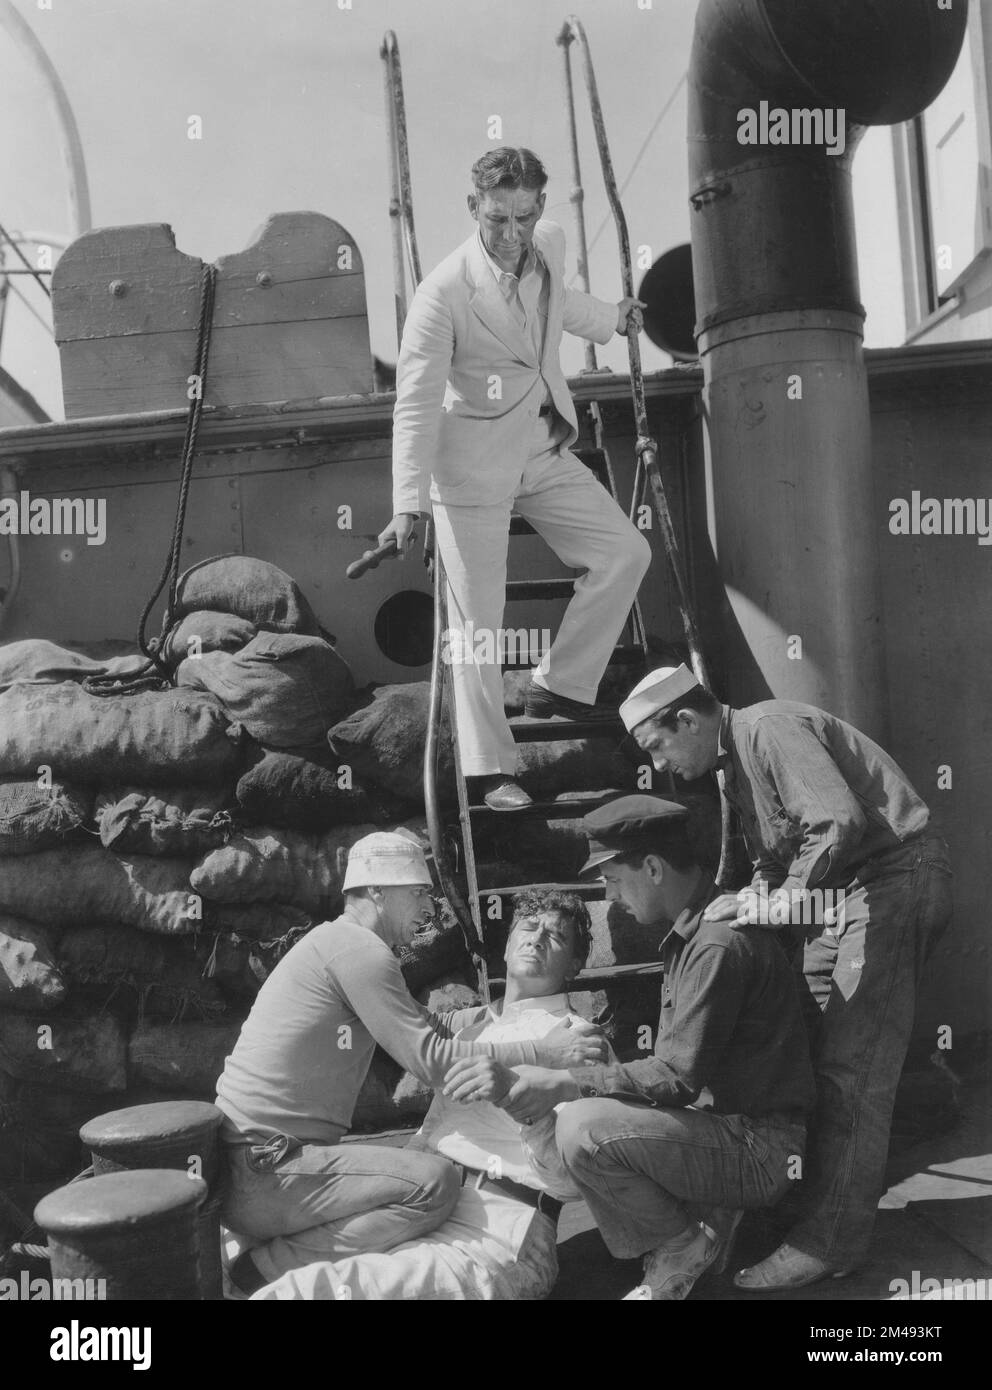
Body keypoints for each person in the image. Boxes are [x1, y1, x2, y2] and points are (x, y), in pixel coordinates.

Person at [616, 664, 954, 1290]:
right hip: (841, 899)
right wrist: (748, 898)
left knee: (854, 1073)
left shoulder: (769, 727)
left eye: (659, 745)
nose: (661, 764)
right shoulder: (733, 763)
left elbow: (836, 825)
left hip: (890, 884)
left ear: (687, 719)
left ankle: (830, 1243)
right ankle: (812, 1202)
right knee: (818, 1050)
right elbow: (777, 858)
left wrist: (773, 903)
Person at [379, 146, 651, 811]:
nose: (510, 235)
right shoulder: (441, 293)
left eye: (522, 219)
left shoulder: (548, 246)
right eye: (497, 219)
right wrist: (409, 503)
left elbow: (562, 305)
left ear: (539, 210)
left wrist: (614, 320)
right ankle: (492, 769)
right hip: (468, 466)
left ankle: (560, 681)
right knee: (478, 624)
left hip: (539, 442)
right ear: (474, 208)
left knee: (625, 553)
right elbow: (413, 402)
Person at [215, 833, 604, 1296]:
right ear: (378, 892)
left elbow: (423, 1022)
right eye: (418, 892)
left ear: (576, 963)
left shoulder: (575, 1039)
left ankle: (256, 1274)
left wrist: (506, 1039)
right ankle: (256, 1274)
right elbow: (432, 1056)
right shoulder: (363, 953)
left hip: (493, 1223)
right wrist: (541, 1053)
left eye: (555, 936)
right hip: (286, 1172)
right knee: (425, 1188)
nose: (429, 905)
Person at [495, 794, 815, 1301]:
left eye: (613, 879)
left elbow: (677, 1075)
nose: (610, 896)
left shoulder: (714, 945)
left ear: (651, 867)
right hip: (735, 1128)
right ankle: (703, 1218)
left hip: (762, 1149)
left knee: (580, 1126)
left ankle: (680, 1244)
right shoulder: (696, 934)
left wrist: (566, 1081)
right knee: (600, 1099)